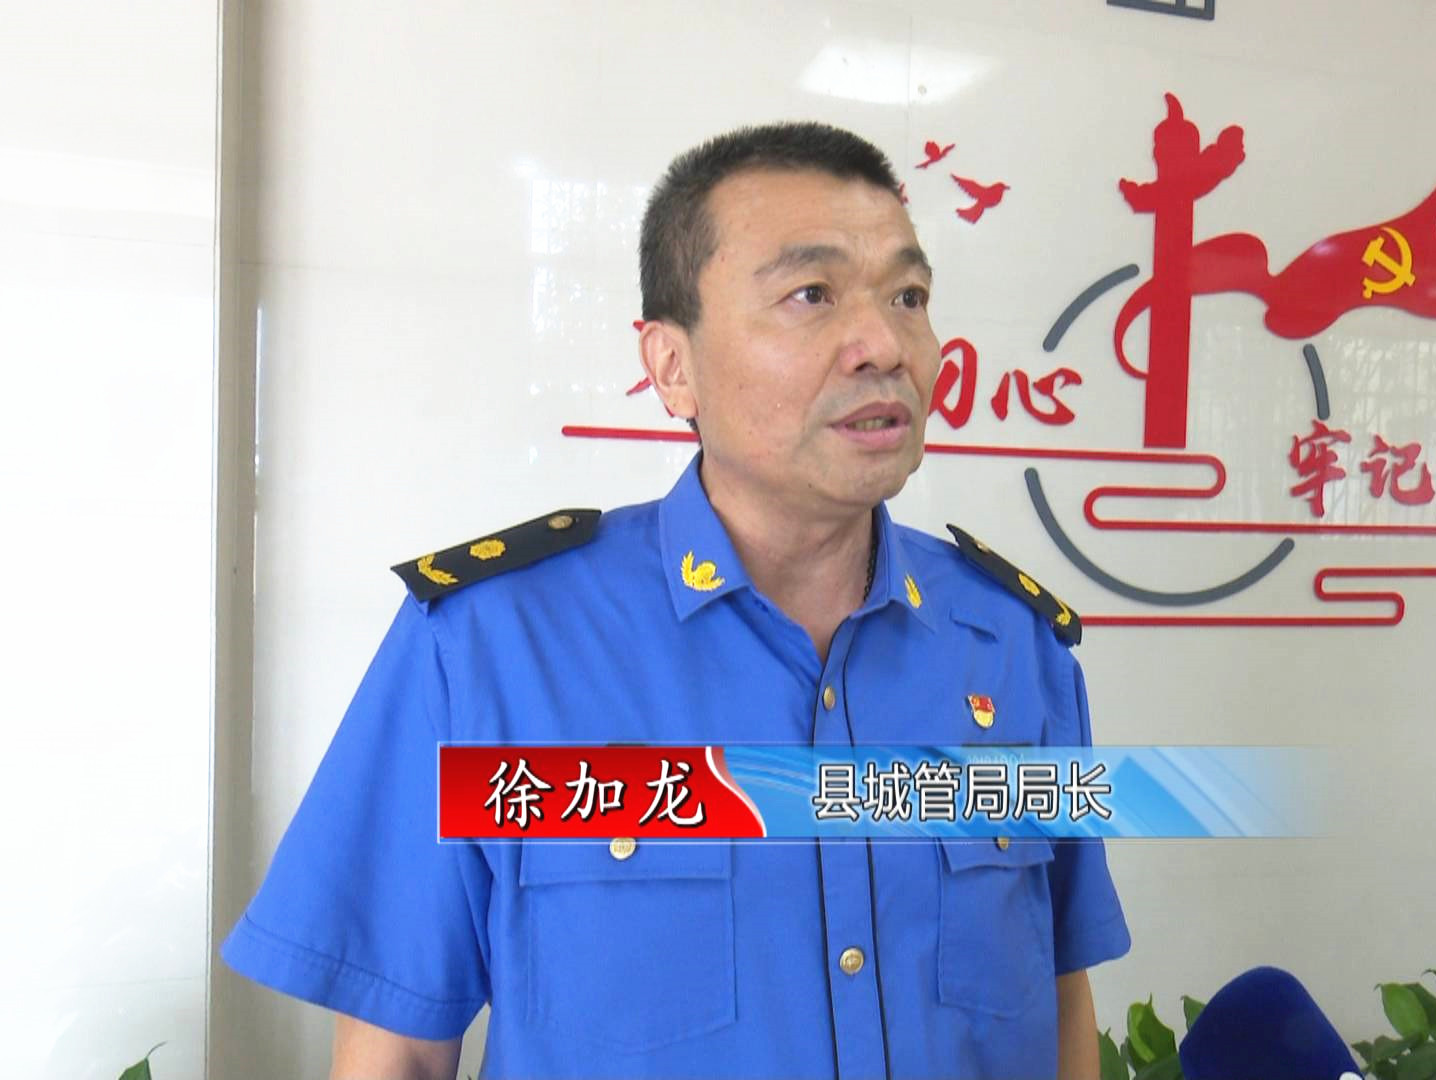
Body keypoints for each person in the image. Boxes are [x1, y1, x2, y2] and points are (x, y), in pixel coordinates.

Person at [220, 120, 1132, 1080]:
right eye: (812, 295)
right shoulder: (490, 647)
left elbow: (1060, 996)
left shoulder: (1011, 646)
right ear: (671, 366)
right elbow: (397, 1052)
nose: (883, 345)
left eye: (909, 297)